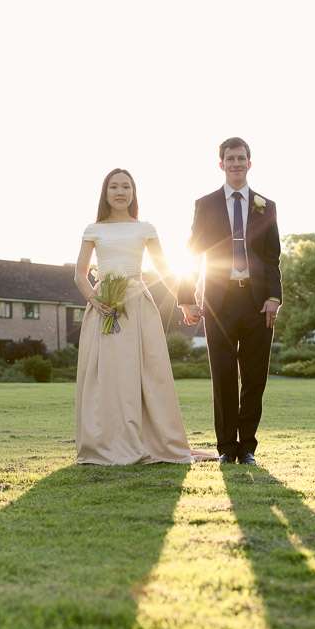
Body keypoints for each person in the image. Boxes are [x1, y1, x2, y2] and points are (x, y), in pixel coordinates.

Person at [74, 168, 216, 466]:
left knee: (145, 371)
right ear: (106, 192)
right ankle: (108, 440)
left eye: (126, 186)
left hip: (138, 305)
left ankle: (149, 439)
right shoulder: (93, 229)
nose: (120, 191)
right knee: (107, 375)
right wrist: (96, 300)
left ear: (133, 193)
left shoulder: (145, 228)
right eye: (114, 186)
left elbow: (165, 270)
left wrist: (185, 303)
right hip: (104, 308)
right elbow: (79, 274)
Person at [177, 137, 282, 465]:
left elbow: (273, 257)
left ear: (250, 163)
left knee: (254, 377)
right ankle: (226, 448)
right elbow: (192, 252)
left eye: (241, 158)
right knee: (222, 376)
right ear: (220, 163)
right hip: (218, 304)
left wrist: (274, 297)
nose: (236, 163)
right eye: (230, 159)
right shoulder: (205, 204)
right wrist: (186, 298)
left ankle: (247, 447)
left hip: (256, 303)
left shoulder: (267, 205)